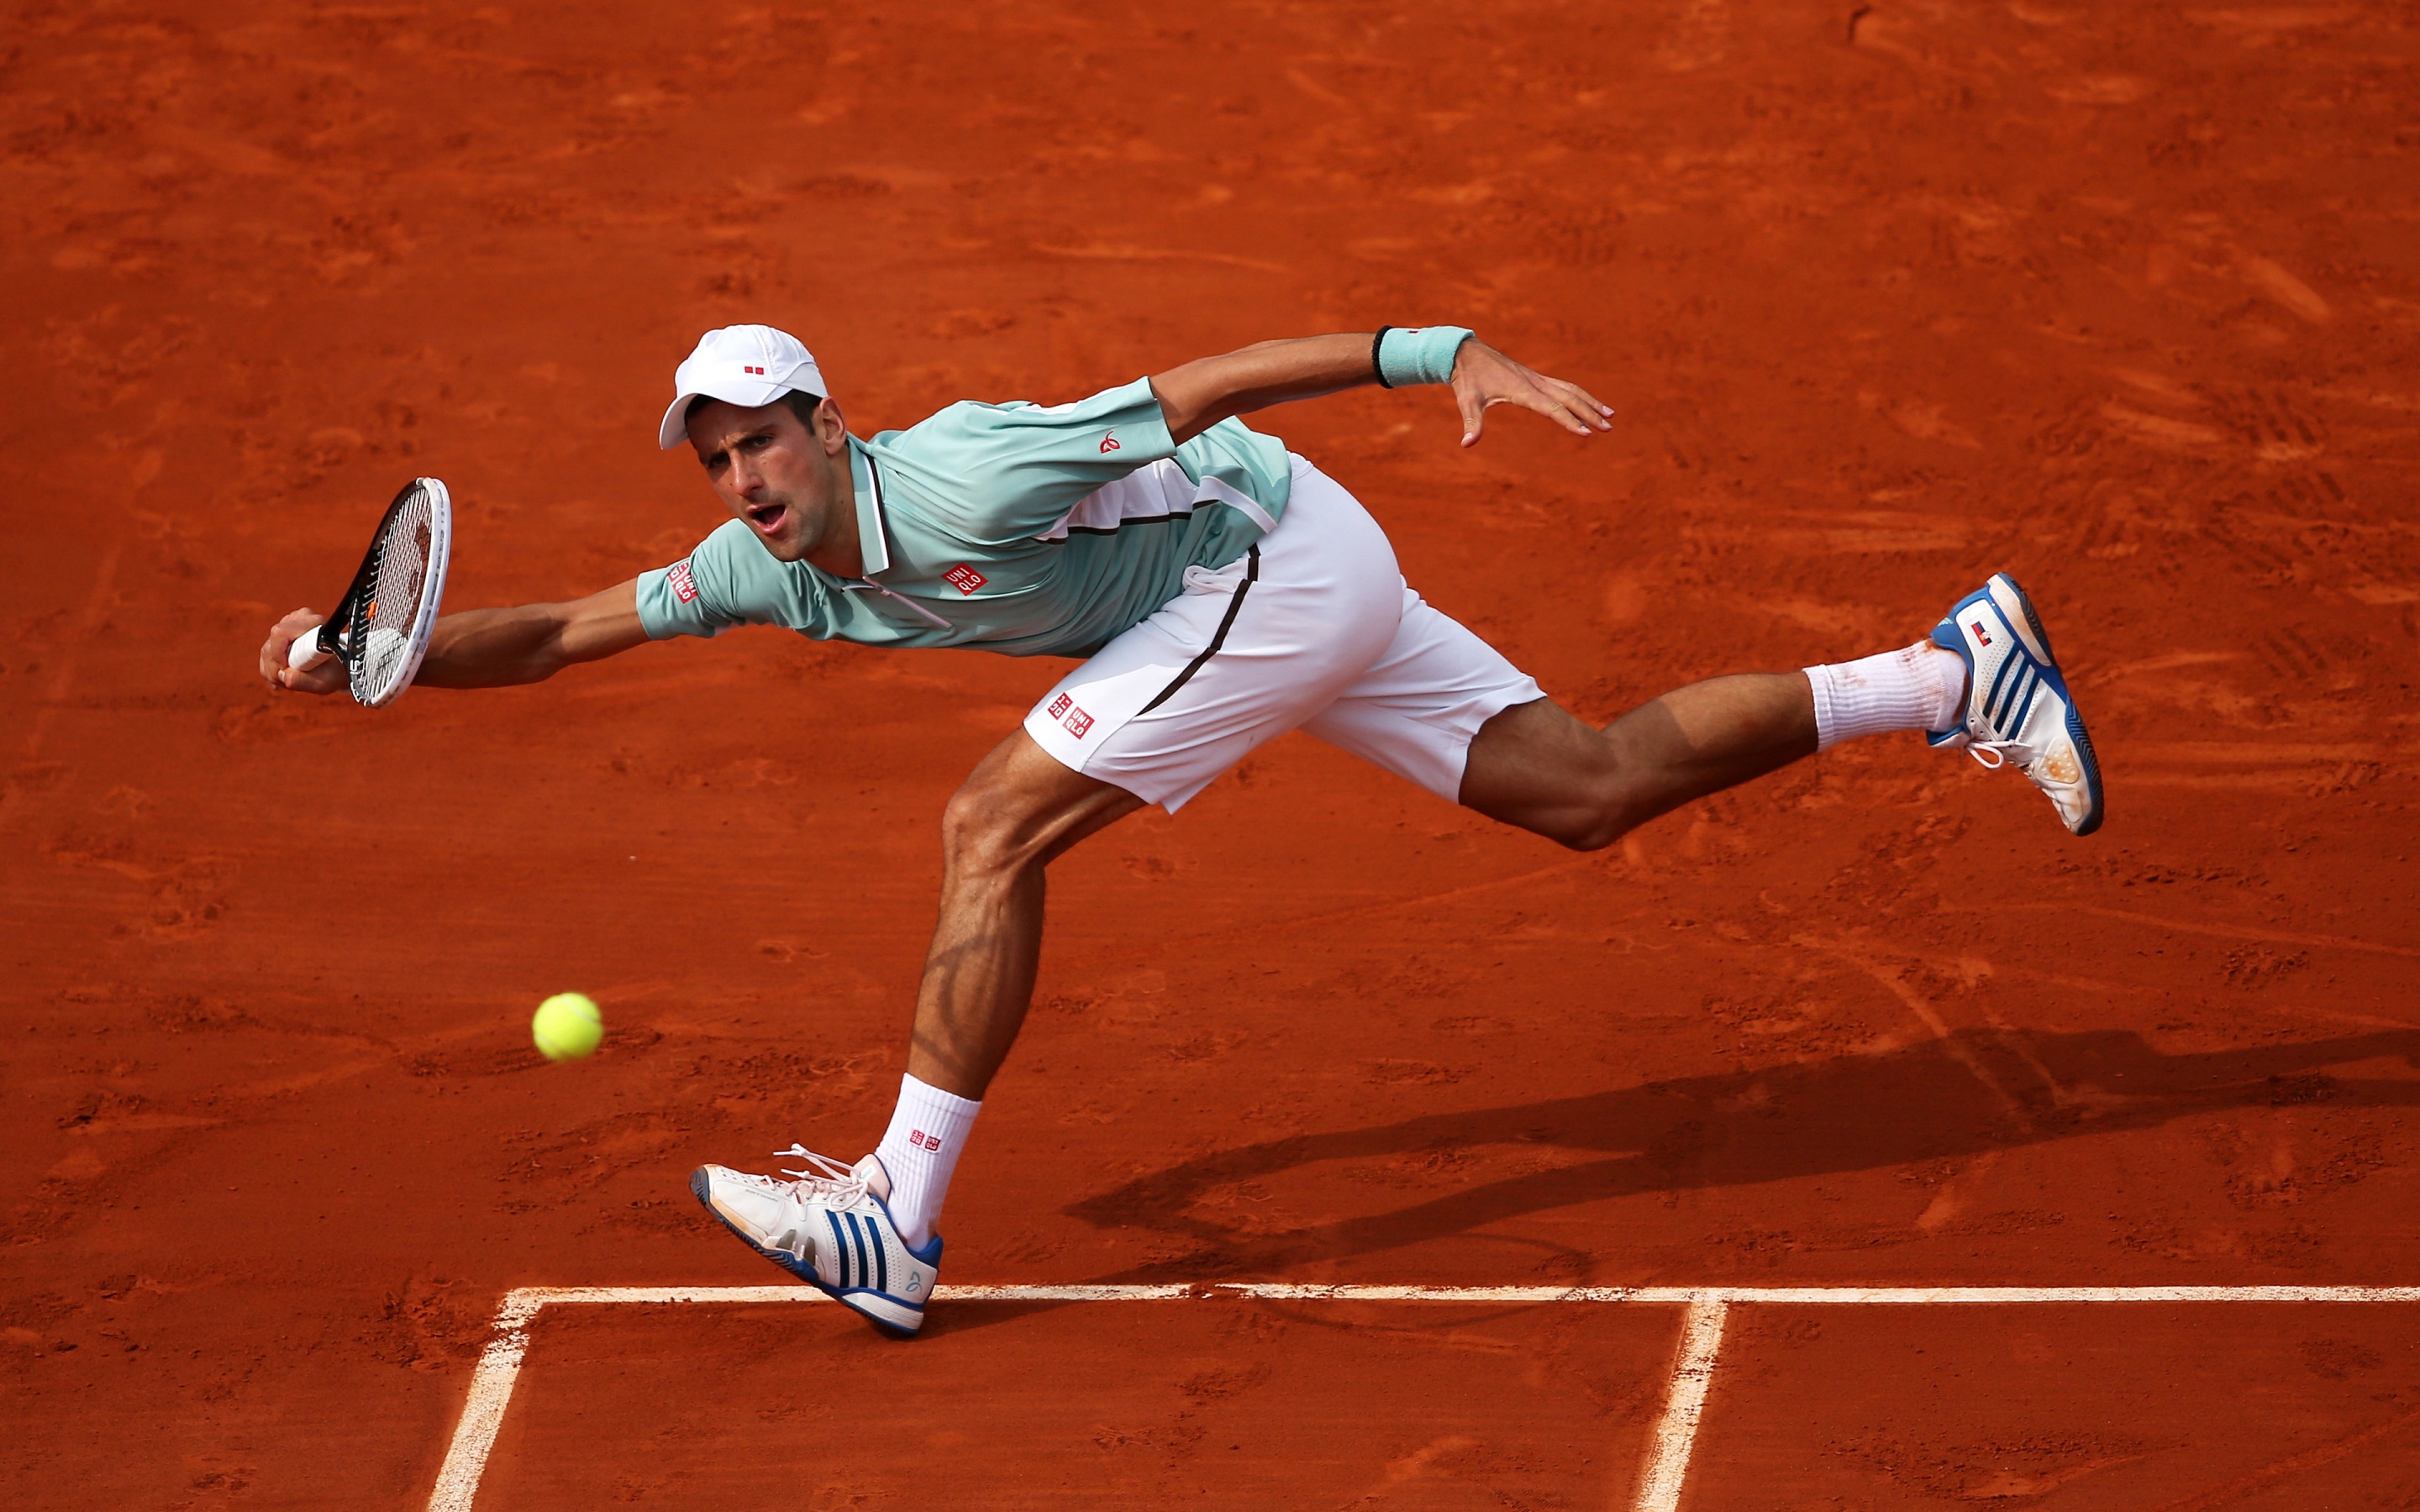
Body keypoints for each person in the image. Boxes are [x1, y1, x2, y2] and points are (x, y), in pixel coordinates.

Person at [257, 323, 2103, 1334]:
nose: (745, 477)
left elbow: (1196, 387)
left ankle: (895, 1218)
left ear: (830, 422)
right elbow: (566, 631)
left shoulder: (965, 464)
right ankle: (1954, 676)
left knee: (995, 822)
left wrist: (1434, 350)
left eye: (765, 440)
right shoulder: (769, 571)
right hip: (1316, 566)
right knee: (1590, 787)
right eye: (717, 455)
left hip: (1274, 555)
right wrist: (373, 661)